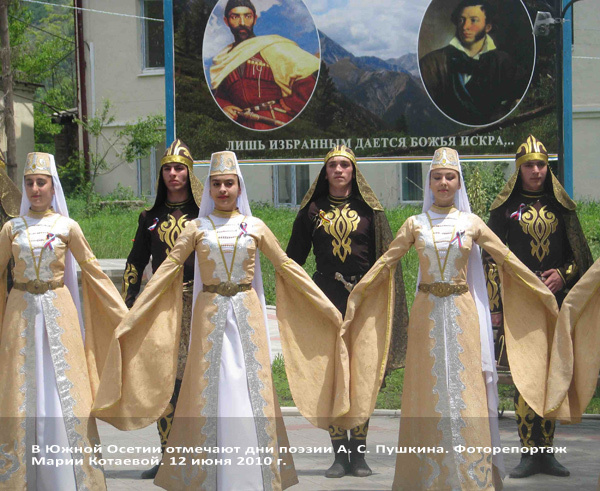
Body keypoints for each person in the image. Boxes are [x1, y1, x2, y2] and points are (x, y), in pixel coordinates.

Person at [92, 150, 343, 490]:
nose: (223, 190)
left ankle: (252, 473)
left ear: (239, 187)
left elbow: (286, 265)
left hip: (246, 314)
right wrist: (132, 314)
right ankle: (209, 474)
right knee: (209, 389)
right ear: (208, 189)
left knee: (249, 388)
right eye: (217, 184)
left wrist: (325, 306)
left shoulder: (255, 226)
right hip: (209, 315)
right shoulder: (196, 228)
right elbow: (166, 271)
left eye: (229, 183)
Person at [340, 147, 559, 489]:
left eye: (450, 177)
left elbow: (507, 258)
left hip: (462, 313)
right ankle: (428, 476)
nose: (443, 183)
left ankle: (471, 477)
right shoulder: (415, 224)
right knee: (426, 391)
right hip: (426, 314)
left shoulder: (471, 223)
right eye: (438, 177)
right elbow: (386, 262)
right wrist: (358, 295)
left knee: (465, 390)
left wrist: (539, 290)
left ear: (458, 183)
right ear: (429, 183)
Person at [0, 152, 127, 489]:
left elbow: (94, 271)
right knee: (20, 388)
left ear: (52, 186)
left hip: (59, 310)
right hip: (20, 312)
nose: (35, 189)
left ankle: (68, 477)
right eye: (29, 183)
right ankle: (20, 476)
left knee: (64, 388)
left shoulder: (67, 227)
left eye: (41, 182)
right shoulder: (11, 228)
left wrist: (125, 316)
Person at [286, 144, 409, 478]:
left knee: (362, 373)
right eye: (333, 166)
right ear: (325, 172)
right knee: (334, 374)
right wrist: (301, 295)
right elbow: (293, 259)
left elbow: (385, 259)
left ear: (354, 171)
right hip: (326, 300)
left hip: (365, 300)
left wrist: (377, 294)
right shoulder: (312, 211)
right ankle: (340, 455)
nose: (339, 170)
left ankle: (360, 454)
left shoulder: (370, 211)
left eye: (345, 165)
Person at [484, 134, 593, 478]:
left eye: (541, 165)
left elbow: (579, 257)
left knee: (552, 374)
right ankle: (528, 452)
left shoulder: (561, 208)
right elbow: (491, 259)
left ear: (548, 168)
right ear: (519, 169)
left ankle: (547, 452)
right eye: (529, 165)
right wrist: (496, 307)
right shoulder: (504, 210)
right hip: (518, 307)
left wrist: (563, 274)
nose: (536, 171)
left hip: (555, 305)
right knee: (524, 377)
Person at [121, 139, 203, 479]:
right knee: (164, 381)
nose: (173, 174)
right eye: (167, 168)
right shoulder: (149, 217)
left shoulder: (204, 216)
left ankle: (199, 454)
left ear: (190, 174)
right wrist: (128, 302)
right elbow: (136, 262)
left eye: (179, 168)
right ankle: (168, 455)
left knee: (197, 378)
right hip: (160, 307)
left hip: (199, 305)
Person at [210, 0, 320, 129]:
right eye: (235, 17)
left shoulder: (272, 47)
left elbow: (308, 82)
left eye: (248, 16)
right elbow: (220, 96)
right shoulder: (225, 59)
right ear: (226, 21)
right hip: (242, 127)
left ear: (255, 19)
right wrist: (224, 106)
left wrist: (288, 104)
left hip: (276, 123)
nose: (242, 23)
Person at [419, 0, 527, 125]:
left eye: (473, 20)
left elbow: (522, 99)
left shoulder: (504, 62)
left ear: (488, 27)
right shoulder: (431, 64)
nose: (465, 26)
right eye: (461, 20)